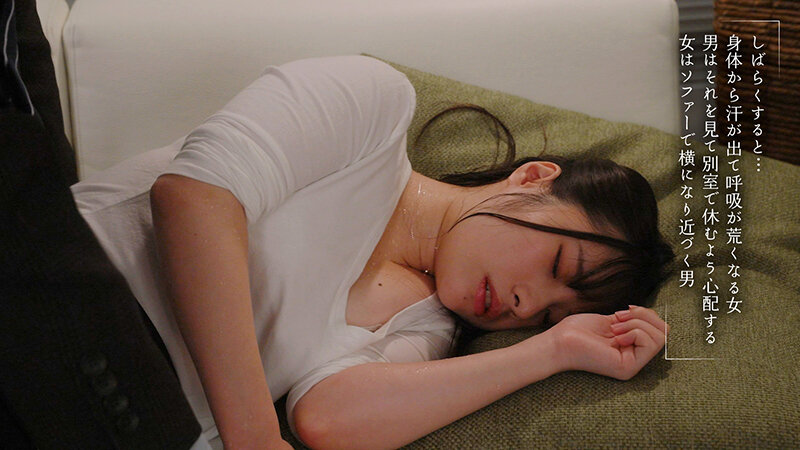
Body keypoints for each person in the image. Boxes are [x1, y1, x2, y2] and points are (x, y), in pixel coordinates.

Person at [70, 54, 674, 449]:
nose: (525, 304)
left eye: (546, 314)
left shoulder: (429, 329)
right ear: (534, 178)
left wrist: (553, 350)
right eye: (556, 266)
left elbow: (328, 419)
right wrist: (254, 437)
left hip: (131, 425)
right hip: (68, 298)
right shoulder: (372, 109)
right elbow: (195, 197)